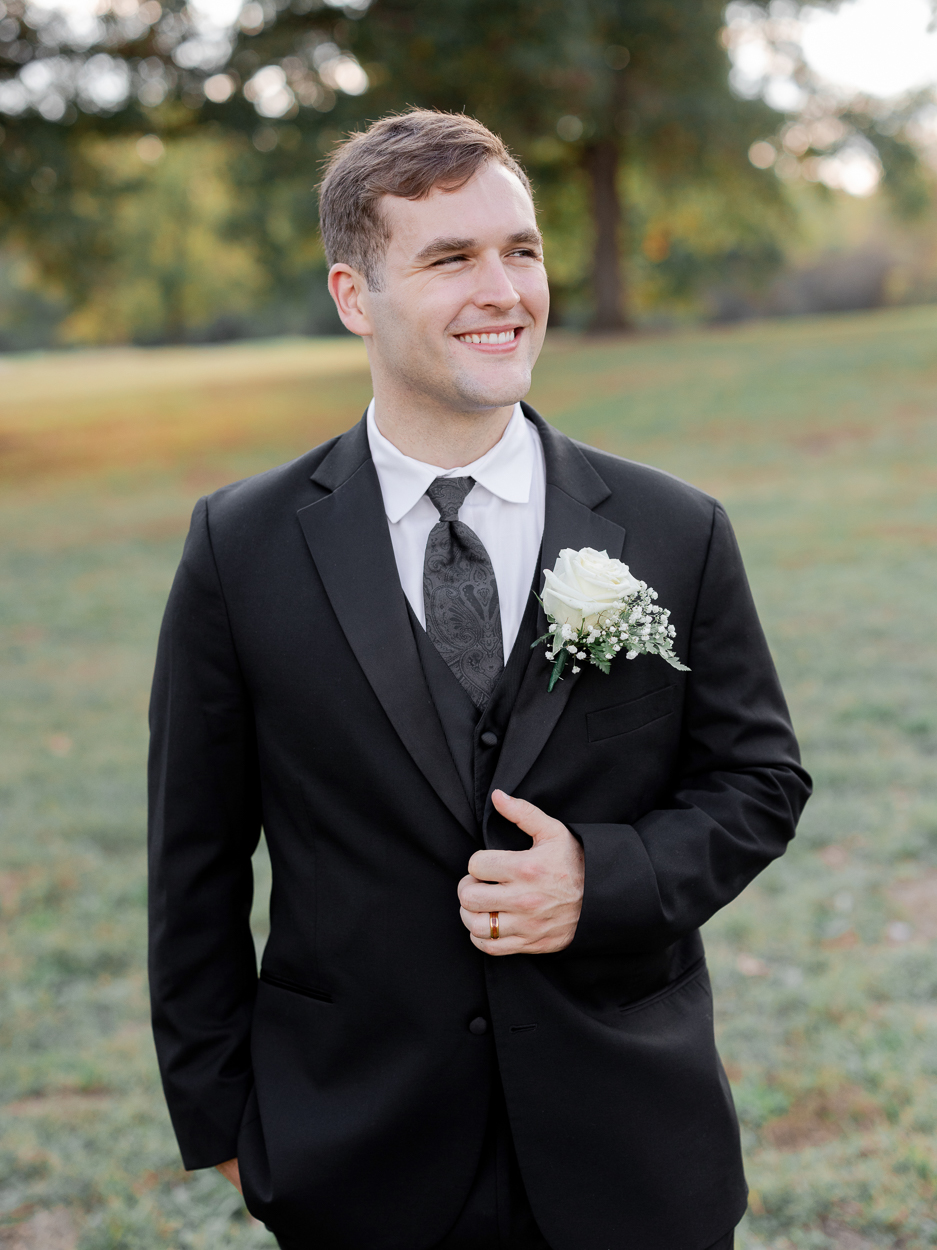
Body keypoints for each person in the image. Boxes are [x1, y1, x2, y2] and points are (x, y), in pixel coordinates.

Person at [148, 109, 811, 1250]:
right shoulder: (240, 546)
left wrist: (599, 879)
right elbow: (194, 855)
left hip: (629, 1144)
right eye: (450, 258)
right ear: (355, 296)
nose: (502, 288)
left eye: (522, 250)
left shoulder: (671, 525)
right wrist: (220, 1112)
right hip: (357, 1148)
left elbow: (758, 778)